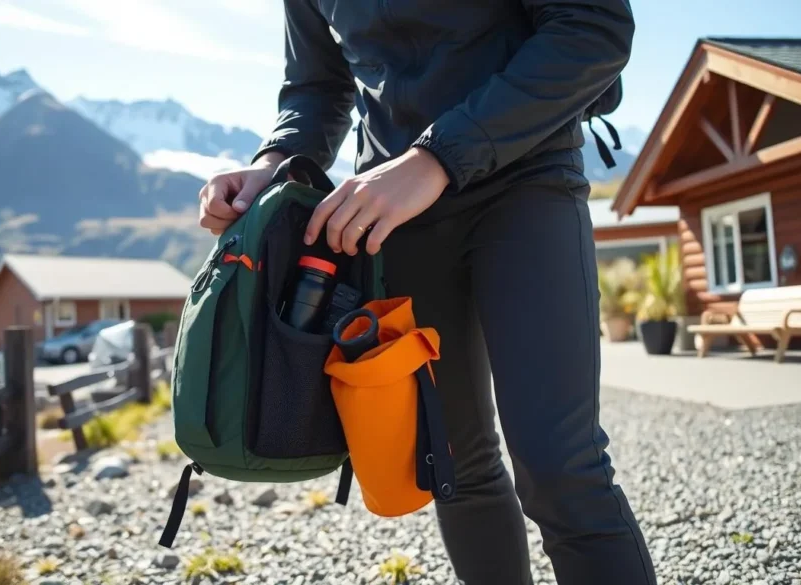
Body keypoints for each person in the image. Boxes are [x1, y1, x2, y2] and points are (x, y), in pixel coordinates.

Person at [198, 1, 656, 583]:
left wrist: (436, 157)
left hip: (525, 176)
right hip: (394, 214)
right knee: (456, 466)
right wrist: (274, 162)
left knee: (560, 467)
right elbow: (316, 85)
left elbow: (593, 28)